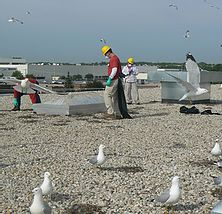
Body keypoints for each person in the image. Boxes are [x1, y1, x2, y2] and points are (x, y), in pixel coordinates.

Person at [101, 45, 122, 119]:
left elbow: (114, 70)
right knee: (115, 98)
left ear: (108, 52)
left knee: (107, 95)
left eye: (105, 54)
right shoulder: (116, 58)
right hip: (116, 79)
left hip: (113, 80)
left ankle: (110, 113)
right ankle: (118, 113)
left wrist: (110, 79)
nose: (105, 56)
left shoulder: (113, 59)